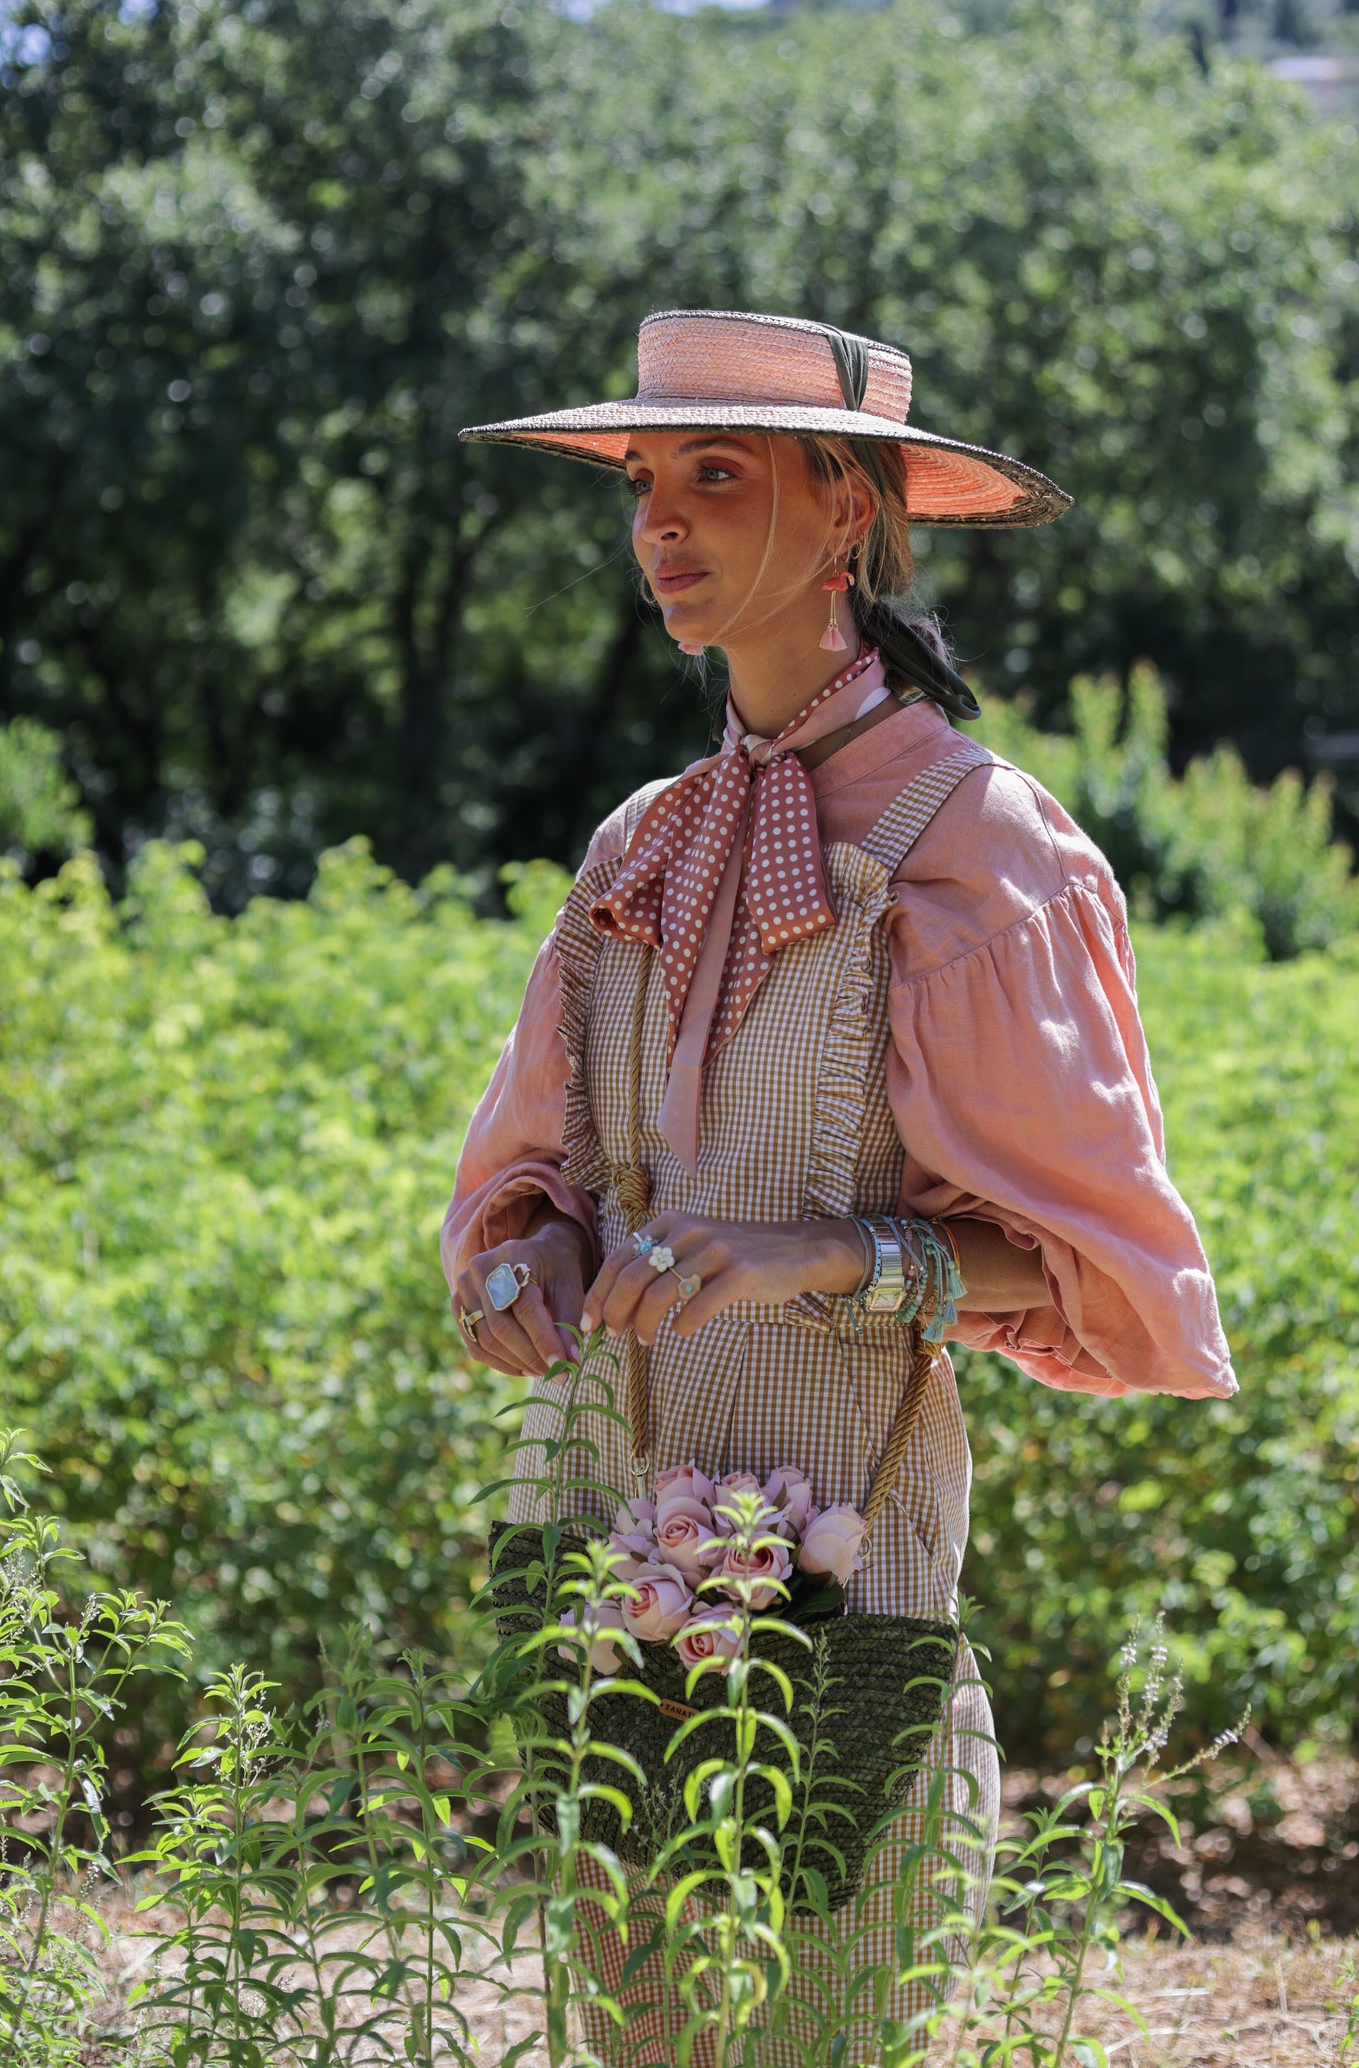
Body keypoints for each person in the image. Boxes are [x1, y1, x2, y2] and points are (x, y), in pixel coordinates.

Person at [441, 309, 1236, 2063]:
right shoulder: (637, 840)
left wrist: (827, 1253)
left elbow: (1093, 1265)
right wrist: (530, 1268)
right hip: (607, 1538)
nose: (660, 521)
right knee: (632, 2020)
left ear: (856, 517)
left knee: (826, 2005)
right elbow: (527, 1180)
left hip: (844, 1543)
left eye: (714, 476)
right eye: (646, 481)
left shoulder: (980, 848)